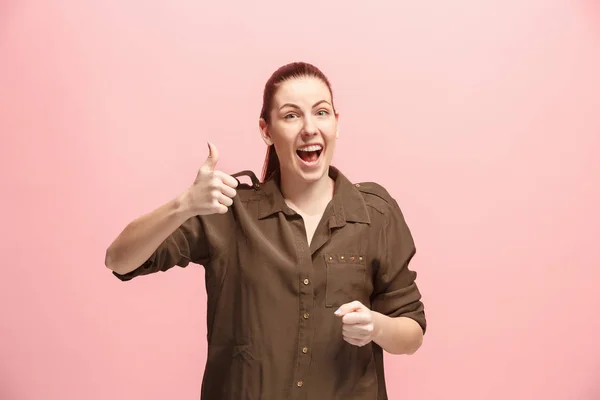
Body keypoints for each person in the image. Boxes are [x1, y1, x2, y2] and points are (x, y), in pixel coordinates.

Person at [105, 61, 426, 400]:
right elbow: (119, 260)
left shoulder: (375, 213)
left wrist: (376, 326)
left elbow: (412, 332)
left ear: (336, 123)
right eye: (291, 116)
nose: (309, 128)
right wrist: (184, 204)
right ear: (266, 130)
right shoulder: (228, 211)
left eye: (321, 112)